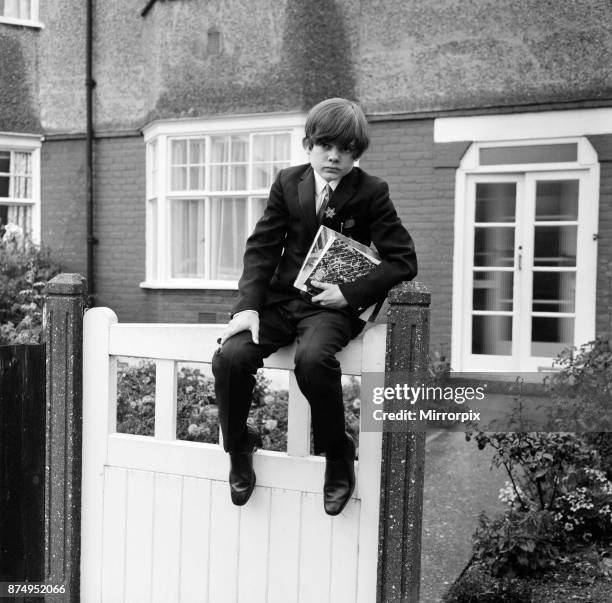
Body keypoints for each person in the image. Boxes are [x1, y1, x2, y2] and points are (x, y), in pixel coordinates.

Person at [212, 97, 417, 515]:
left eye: (346, 150)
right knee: (230, 356)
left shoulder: (372, 192)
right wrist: (247, 308)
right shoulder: (288, 183)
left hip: (331, 310)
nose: (335, 157)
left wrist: (350, 292)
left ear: (356, 154)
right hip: (279, 302)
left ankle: (338, 453)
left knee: (311, 360)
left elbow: (404, 261)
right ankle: (238, 446)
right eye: (326, 146)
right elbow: (262, 249)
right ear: (309, 144)